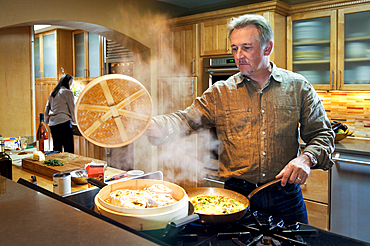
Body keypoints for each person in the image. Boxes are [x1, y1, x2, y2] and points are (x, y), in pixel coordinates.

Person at [145, 14, 335, 224]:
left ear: (267, 48)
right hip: (236, 198)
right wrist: (150, 124)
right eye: (235, 48)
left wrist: (306, 159)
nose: (239, 55)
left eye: (246, 47)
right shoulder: (220, 92)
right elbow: (185, 120)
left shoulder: (298, 87)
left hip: (285, 196)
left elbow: (323, 134)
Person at [45, 74, 76, 153]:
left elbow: (47, 107)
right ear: (69, 83)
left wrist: (46, 121)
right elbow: (72, 108)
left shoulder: (53, 93)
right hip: (63, 122)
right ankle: (69, 165)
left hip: (53, 124)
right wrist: (74, 120)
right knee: (68, 149)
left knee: (57, 149)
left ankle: (57, 164)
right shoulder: (68, 92)